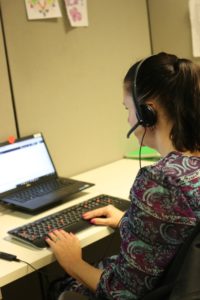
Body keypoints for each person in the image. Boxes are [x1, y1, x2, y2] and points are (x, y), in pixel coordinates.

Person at [46, 52, 200, 299]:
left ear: (147, 112)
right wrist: (130, 222)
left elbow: (121, 293)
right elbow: (182, 235)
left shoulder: (161, 181)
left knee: (61, 289)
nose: (129, 118)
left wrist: (73, 263)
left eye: (128, 108)